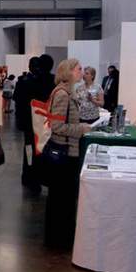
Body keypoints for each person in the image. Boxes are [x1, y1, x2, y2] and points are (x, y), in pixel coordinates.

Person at [45, 59, 91, 248]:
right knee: (61, 197)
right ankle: (59, 237)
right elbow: (56, 126)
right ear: (69, 71)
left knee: (61, 196)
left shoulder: (65, 92)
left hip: (65, 151)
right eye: (79, 69)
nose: (82, 72)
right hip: (63, 153)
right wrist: (81, 129)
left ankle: (59, 235)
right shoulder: (63, 94)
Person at [13, 57, 41, 189]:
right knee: (29, 148)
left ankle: (30, 174)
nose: (36, 69)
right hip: (30, 122)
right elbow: (20, 103)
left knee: (31, 148)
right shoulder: (26, 82)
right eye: (34, 66)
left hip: (34, 121)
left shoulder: (28, 81)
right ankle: (29, 175)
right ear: (30, 67)